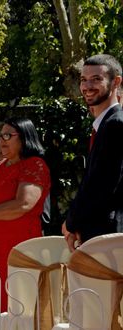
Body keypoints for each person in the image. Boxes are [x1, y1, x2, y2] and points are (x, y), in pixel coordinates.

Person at [0, 118, 51, 330]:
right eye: (1, 136)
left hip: (17, 247)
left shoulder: (34, 164)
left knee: (16, 304)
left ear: (24, 138)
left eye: (8, 135)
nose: (2, 141)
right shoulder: (0, 165)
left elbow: (23, 204)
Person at [63, 54, 123, 251]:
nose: (87, 86)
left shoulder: (115, 124)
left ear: (116, 82)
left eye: (97, 79)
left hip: (109, 238)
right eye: (83, 80)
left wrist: (71, 223)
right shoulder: (105, 125)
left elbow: (100, 185)